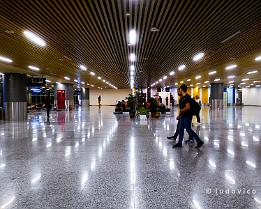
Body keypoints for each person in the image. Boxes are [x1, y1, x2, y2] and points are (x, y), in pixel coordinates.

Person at [173, 84, 204, 149]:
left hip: (187, 116)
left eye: (180, 89)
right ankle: (179, 143)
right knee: (181, 129)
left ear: (181, 90)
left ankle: (199, 141)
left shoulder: (187, 97)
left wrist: (181, 111)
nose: (179, 91)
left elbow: (187, 107)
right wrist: (179, 115)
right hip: (183, 116)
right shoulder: (182, 98)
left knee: (188, 129)